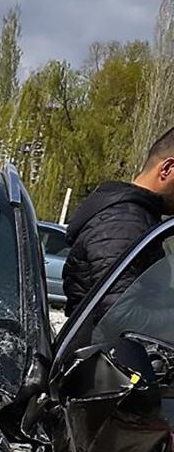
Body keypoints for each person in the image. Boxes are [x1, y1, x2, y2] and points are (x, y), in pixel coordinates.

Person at [62, 127, 174, 318]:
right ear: (167, 169)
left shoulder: (137, 218)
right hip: (102, 346)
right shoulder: (124, 222)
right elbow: (118, 314)